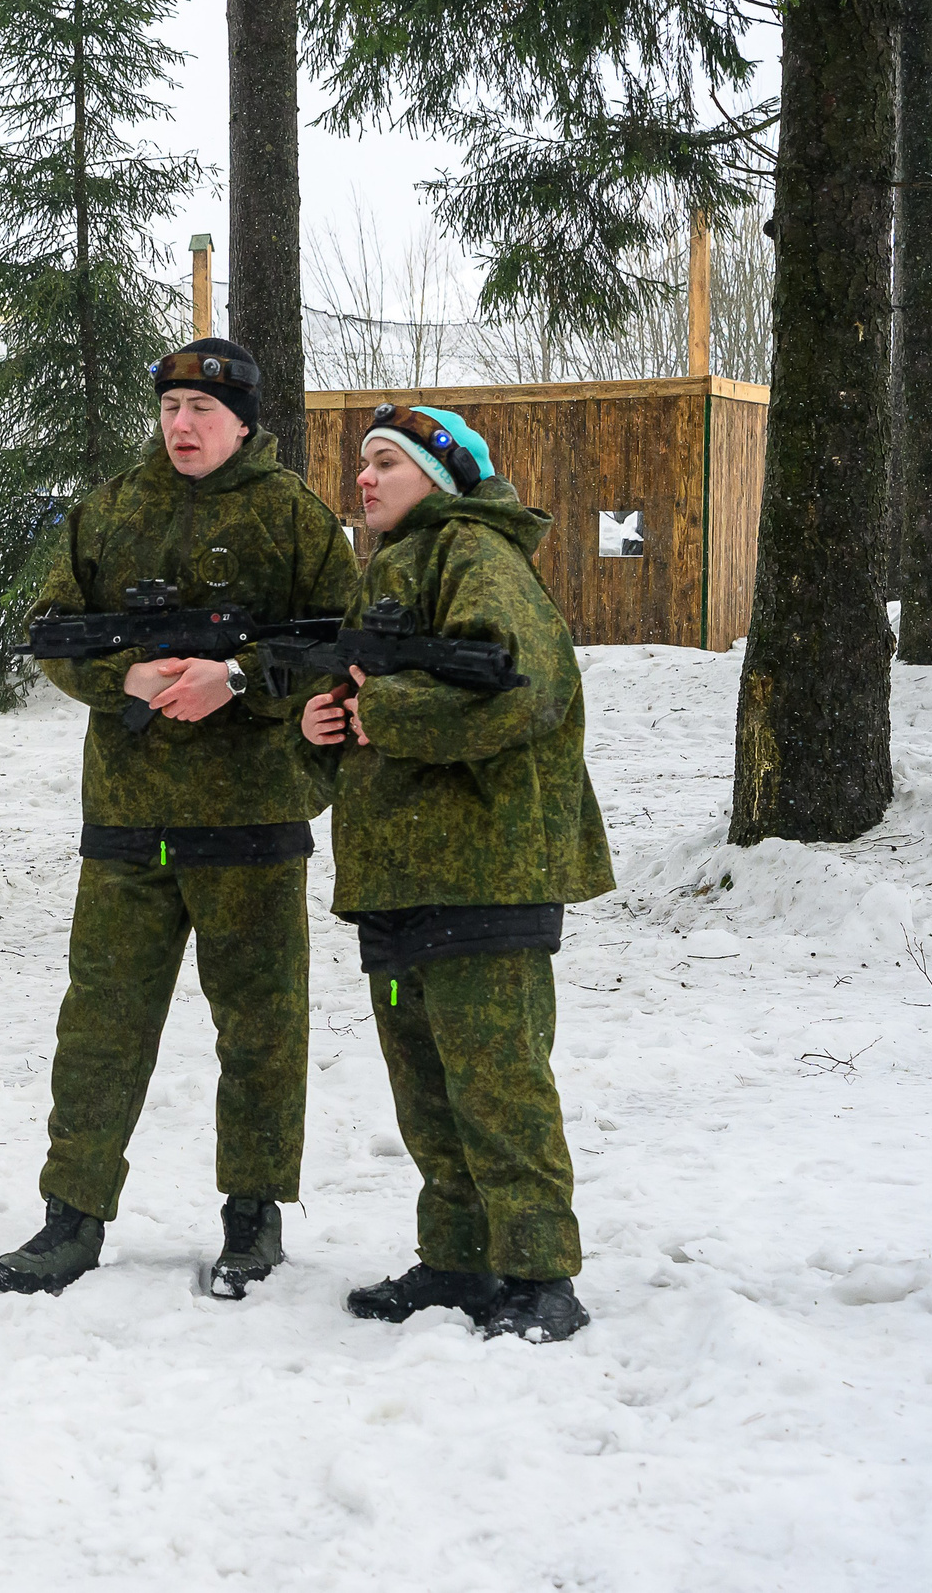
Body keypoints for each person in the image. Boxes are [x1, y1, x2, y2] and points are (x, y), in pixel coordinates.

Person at [0, 339, 360, 1300]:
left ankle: (253, 1214)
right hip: (129, 820)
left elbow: (342, 646)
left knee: (262, 1029)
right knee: (100, 1027)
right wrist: (128, 677)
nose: (182, 426)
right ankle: (72, 1215)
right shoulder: (110, 510)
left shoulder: (295, 517)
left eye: (202, 411)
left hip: (253, 818)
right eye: (170, 409)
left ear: (243, 422)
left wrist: (237, 677)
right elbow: (53, 633)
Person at [298, 404, 612, 1342]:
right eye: (362, 462)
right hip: (401, 875)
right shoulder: (396, 564)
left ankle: (542, 1275)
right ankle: (460, 1258)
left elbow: (522, 689)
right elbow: (370, 700)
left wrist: (383, 713)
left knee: (499, 1083)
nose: (363, 477)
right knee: (429, 1089)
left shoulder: (476, 553)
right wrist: (322, 723)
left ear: (440, 476)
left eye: (385, 462)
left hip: (485, 869)